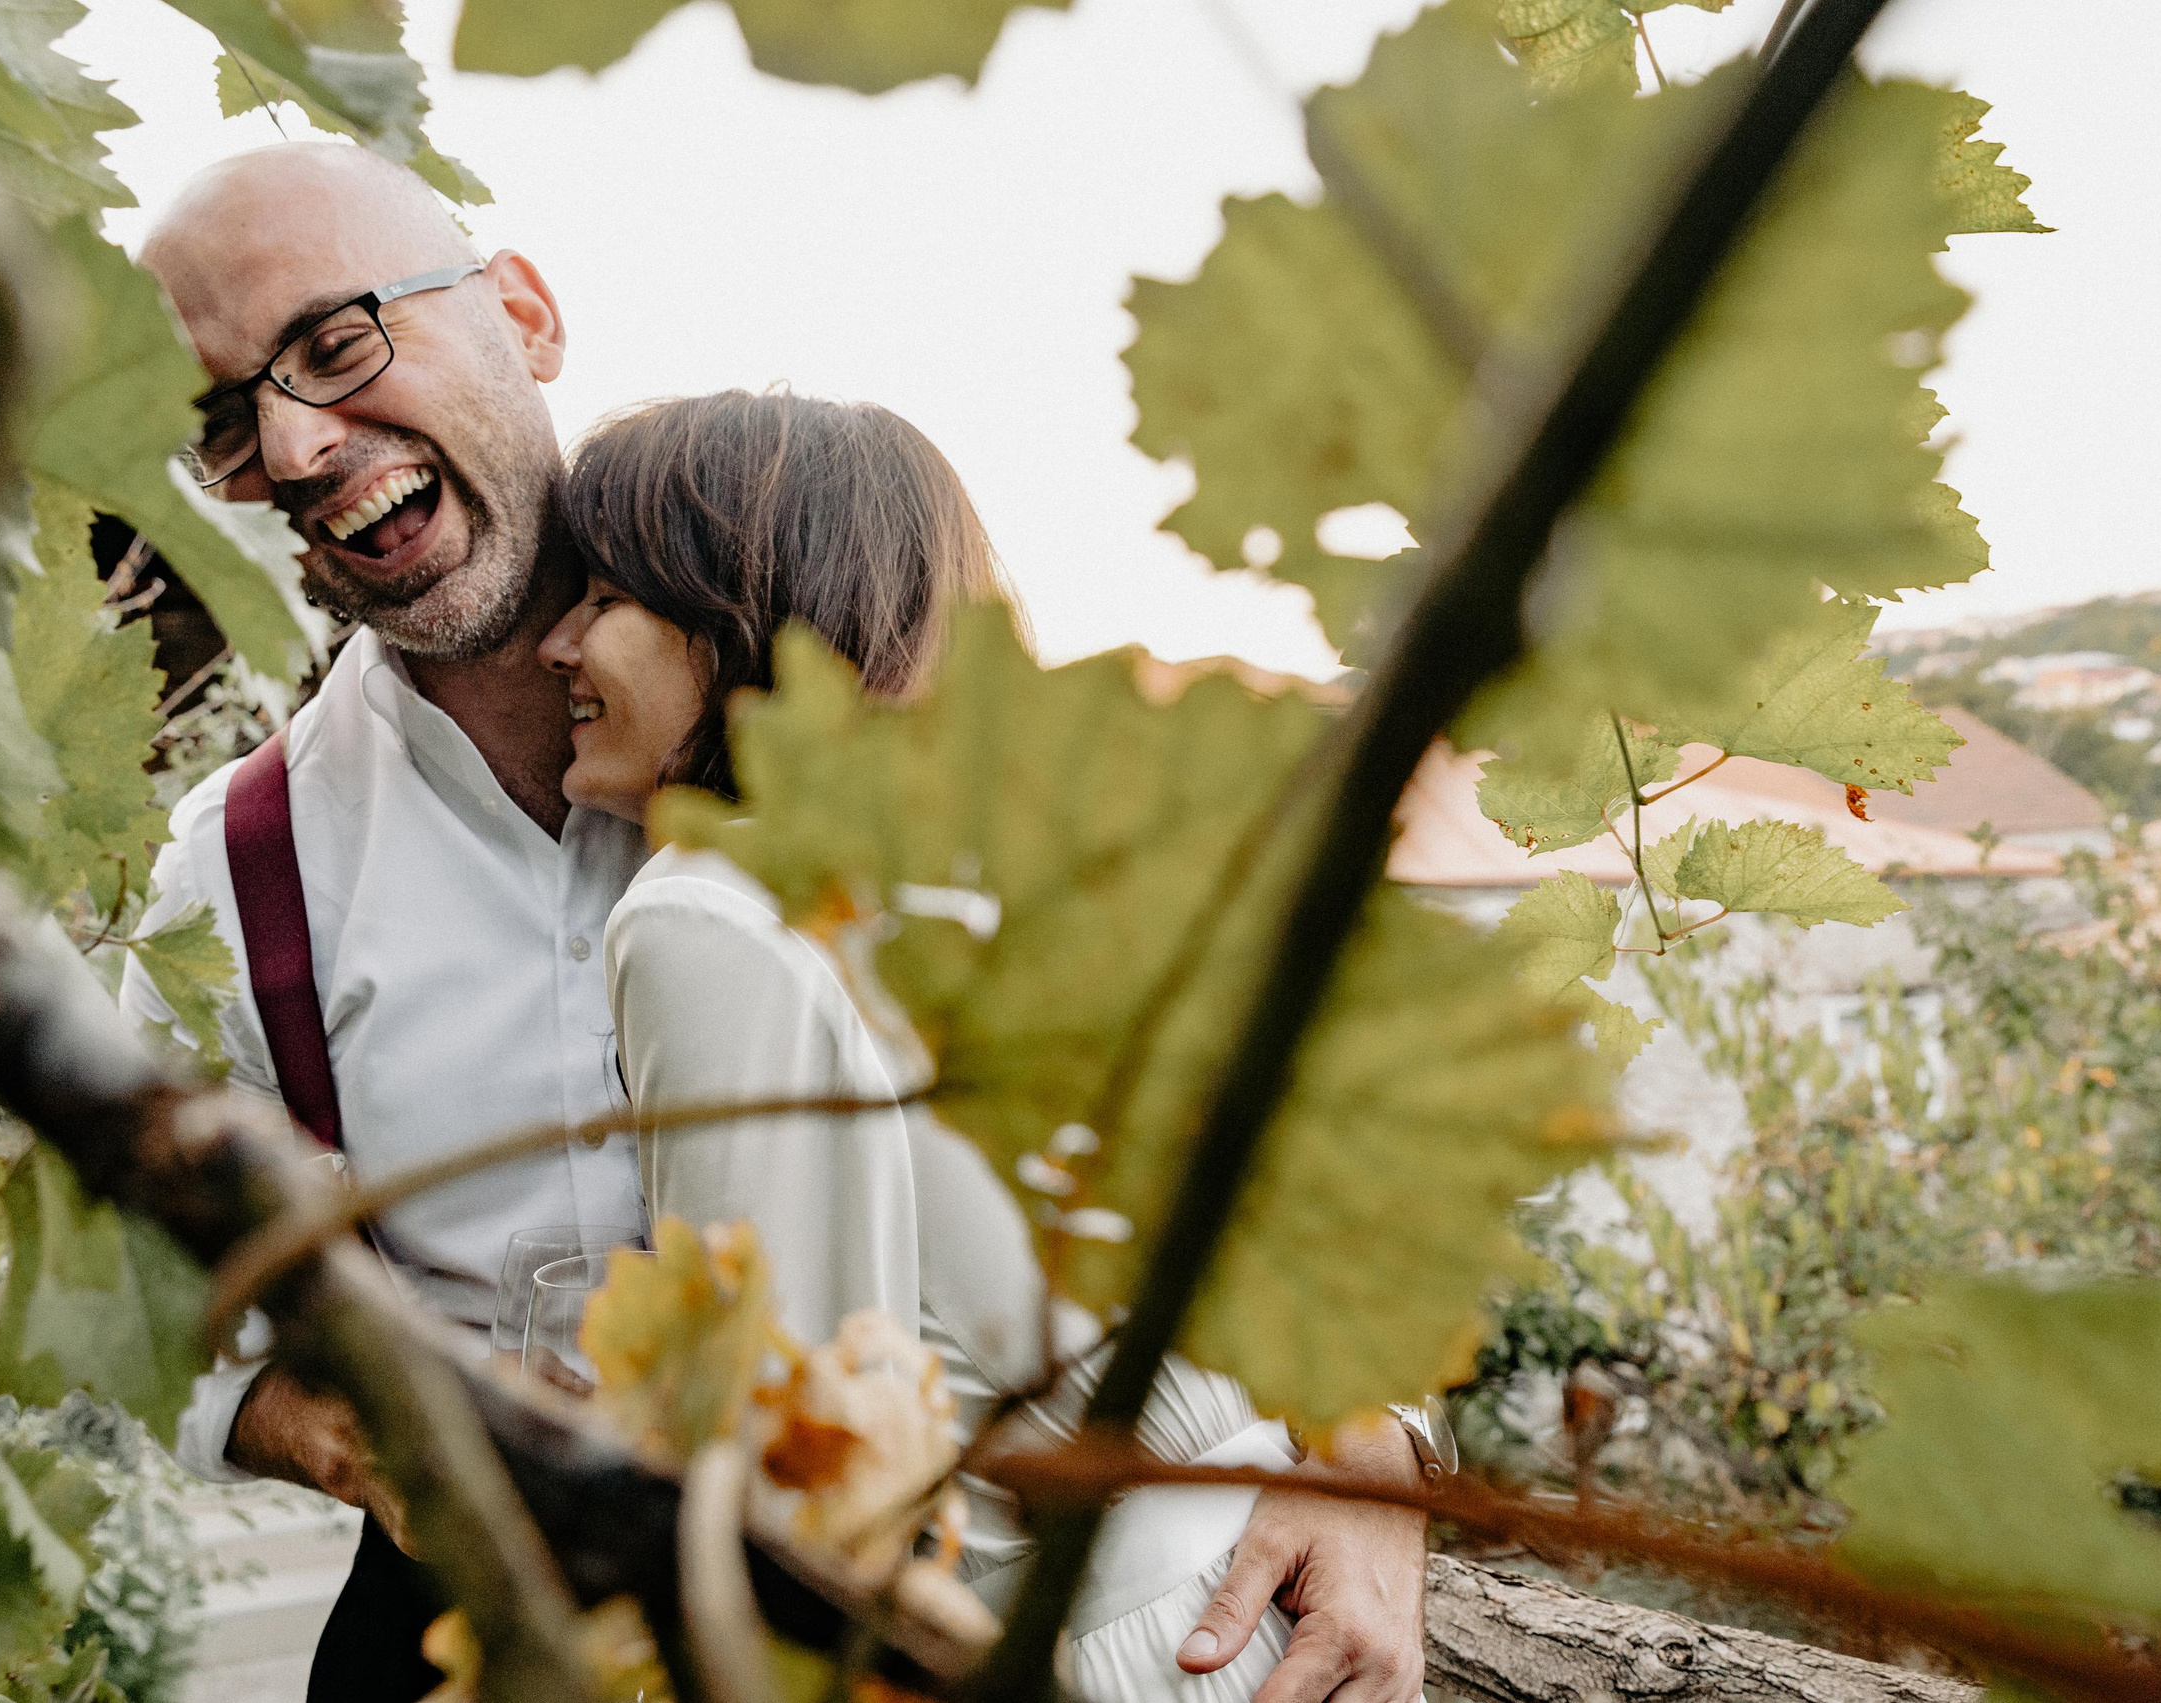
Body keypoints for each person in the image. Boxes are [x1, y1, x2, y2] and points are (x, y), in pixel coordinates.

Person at [116, 141, 1427, 1703]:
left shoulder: (850, 666)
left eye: (339, 340)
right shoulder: (233, 869)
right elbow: (137, 1299)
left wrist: (1365, 1450)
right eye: (223, 421)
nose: (297, 440)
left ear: (525, 317)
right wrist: (360, 1431)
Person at [535, 390, 1428, 1702]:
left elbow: (797, 1471)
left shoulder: (701, 916)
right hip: (1254, 1630)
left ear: (749, 624)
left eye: (606, 594)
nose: (557, 643)